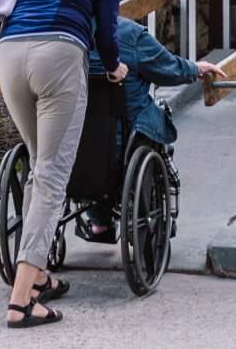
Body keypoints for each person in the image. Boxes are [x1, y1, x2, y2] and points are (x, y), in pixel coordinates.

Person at [0, 0, 126, 329]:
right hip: (60, 54)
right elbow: (106, 29)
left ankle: (37, 278)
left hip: (10, 54)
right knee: (52, 177)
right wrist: (114, 68)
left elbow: (4, 9)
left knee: (38, 166)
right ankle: (20, 303)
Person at [73, 15, 222, 244]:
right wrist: (196, 68)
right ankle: (149, 214)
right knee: (153, 121)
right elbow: (169, 69)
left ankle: (100, 221)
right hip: (123, 144)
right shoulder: (129, 34)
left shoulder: (65, 36)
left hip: (74, 148)